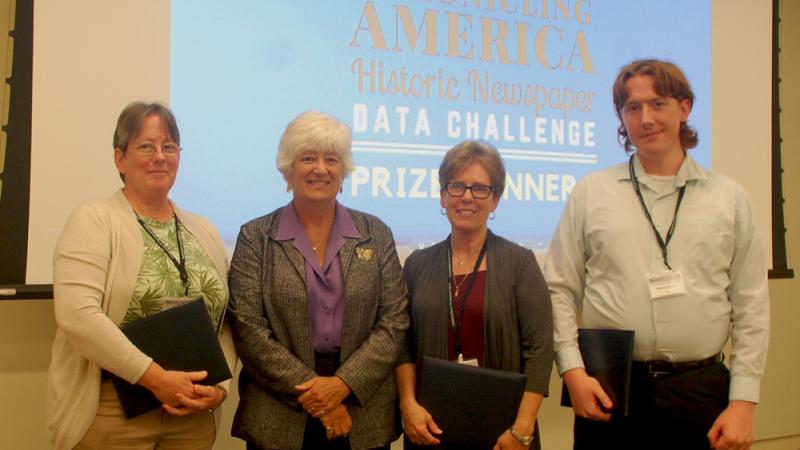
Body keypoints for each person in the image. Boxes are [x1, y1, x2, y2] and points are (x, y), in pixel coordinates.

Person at [545, 58, 770, 450]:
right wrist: (572, 372)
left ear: (684, 108)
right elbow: (558, 288)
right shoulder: (592, 193)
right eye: (633, 108)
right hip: (610, 388)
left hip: (700, 392)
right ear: (622, 117)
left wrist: (744, 401)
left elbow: (752, 304)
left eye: (658, 104)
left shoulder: (728, 199)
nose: (646, 118)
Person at [47, 102, 236, 450]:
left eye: (169, 147)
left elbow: (223, 322)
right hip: (111, 412)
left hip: (191, 416)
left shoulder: (204, 230)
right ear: (120, 159)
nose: (159, 156)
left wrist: (220, 387)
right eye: (146, 146)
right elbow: (78, 315)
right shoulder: (93, 220)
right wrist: (157, 379)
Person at [227, 110, 409, 450]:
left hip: (361, 412)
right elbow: (248, 328)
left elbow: (394, 322)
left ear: (344, 171)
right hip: (278, 412)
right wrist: (319, 396)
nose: (320, 169)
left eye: (332, 159)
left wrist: (343, 385)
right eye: (308, 158)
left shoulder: (376, 233)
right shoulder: (255, 237)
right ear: (288, 168)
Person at [395, 140, 553, 450]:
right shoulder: (417, 264)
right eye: (457, 187)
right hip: (430, 429)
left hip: (504, 434)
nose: (467, 197)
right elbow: (403, 344)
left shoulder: (520, 264)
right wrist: (409, 407)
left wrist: (522, 428)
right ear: (443, 196)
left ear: (495, 200)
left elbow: (539, 350)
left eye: (480, 188)